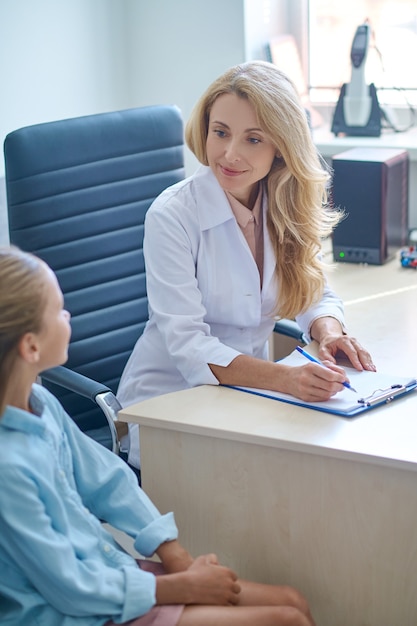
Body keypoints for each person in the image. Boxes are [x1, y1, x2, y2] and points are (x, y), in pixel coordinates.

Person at [0, 244, 316, 626]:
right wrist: (183, 587)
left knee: (292, 601)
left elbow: (107, 480)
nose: (69, 316)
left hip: (110, 573)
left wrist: (177, 558)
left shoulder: (39, 402)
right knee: (286, 619)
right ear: (31, 345)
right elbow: (71, 588)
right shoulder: (8, 469)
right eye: (59, 311)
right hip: (73, 611)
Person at [117, 60, 375, 468]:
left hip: (246, 399)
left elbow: (312, 289)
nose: (229, 154)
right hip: (169, 406)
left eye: (253, 139)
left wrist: (328, 332)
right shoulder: (171, 215)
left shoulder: (282, 202)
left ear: (280, 148)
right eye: (220, 133)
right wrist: (286, 379)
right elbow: (188, 346)